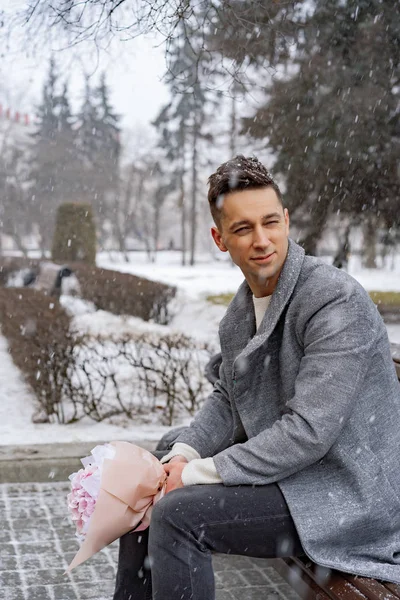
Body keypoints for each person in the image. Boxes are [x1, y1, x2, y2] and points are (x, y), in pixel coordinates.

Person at [113, 156, 400, 600]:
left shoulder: (333, 300)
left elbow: (309, 431)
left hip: (346, 492)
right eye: (243, 228)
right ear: (220, 238)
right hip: (299, 478)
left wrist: (195, 475)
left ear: (286, 220)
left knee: (178, 515)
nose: (262, 240)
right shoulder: (240, 313)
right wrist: (181, 457)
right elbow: (230, 396)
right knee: (149, 485)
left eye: (270, 222)